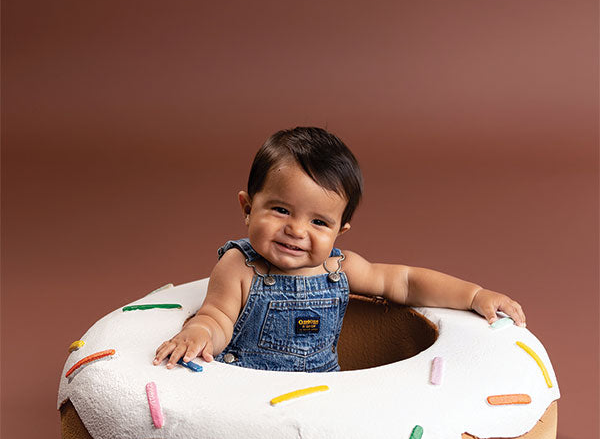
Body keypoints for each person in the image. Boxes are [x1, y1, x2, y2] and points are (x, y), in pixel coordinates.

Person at [154, 127, 526, 372]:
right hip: (250, 393)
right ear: (247, 208)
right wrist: (198, 334)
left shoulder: (339, 268)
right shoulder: (239, 267)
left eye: (319, 222)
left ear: (339, 231)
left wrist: (474, 295)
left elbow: (406, 282)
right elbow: (217, 316)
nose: (296, 230)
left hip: (327, 393)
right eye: (280, 210)